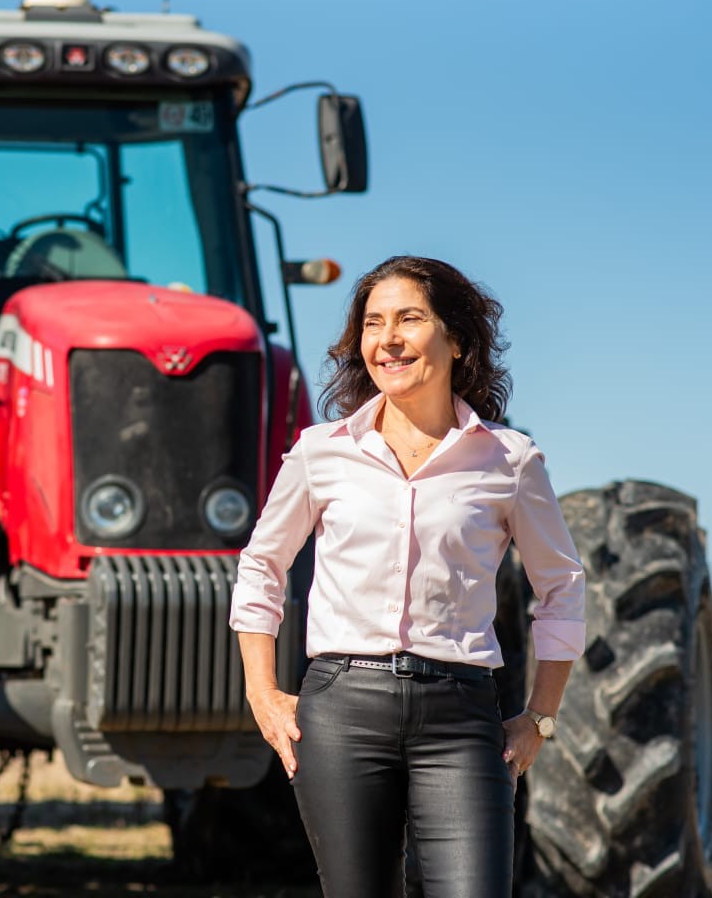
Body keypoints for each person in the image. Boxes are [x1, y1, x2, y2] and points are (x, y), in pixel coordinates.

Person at [229, 255, 586, 898]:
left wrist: (540, 716)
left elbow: (560, 587)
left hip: (461, 713)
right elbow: (261, 563)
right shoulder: (322, 451)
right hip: (341, 710)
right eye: (372, 323)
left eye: (409, 319)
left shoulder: (510, 460)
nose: (387, 339)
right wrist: (261, 687)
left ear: (456, 338)